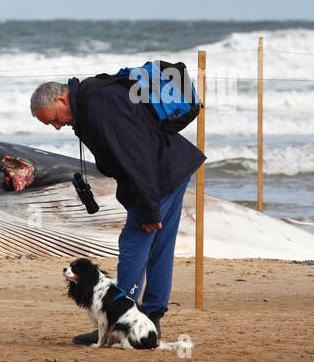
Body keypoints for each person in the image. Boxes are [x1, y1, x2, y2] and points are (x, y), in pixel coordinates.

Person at [30, 74, 205, 343]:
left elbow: (136, 155)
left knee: (134, 244)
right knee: (159, 246)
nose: (56, 127)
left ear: (61, 99)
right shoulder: (88, 104)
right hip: (171, 166)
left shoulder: (97, 106)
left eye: (53, 118)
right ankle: (150, 321)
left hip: (158, 174)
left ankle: (117, 322)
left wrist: (148, 208)